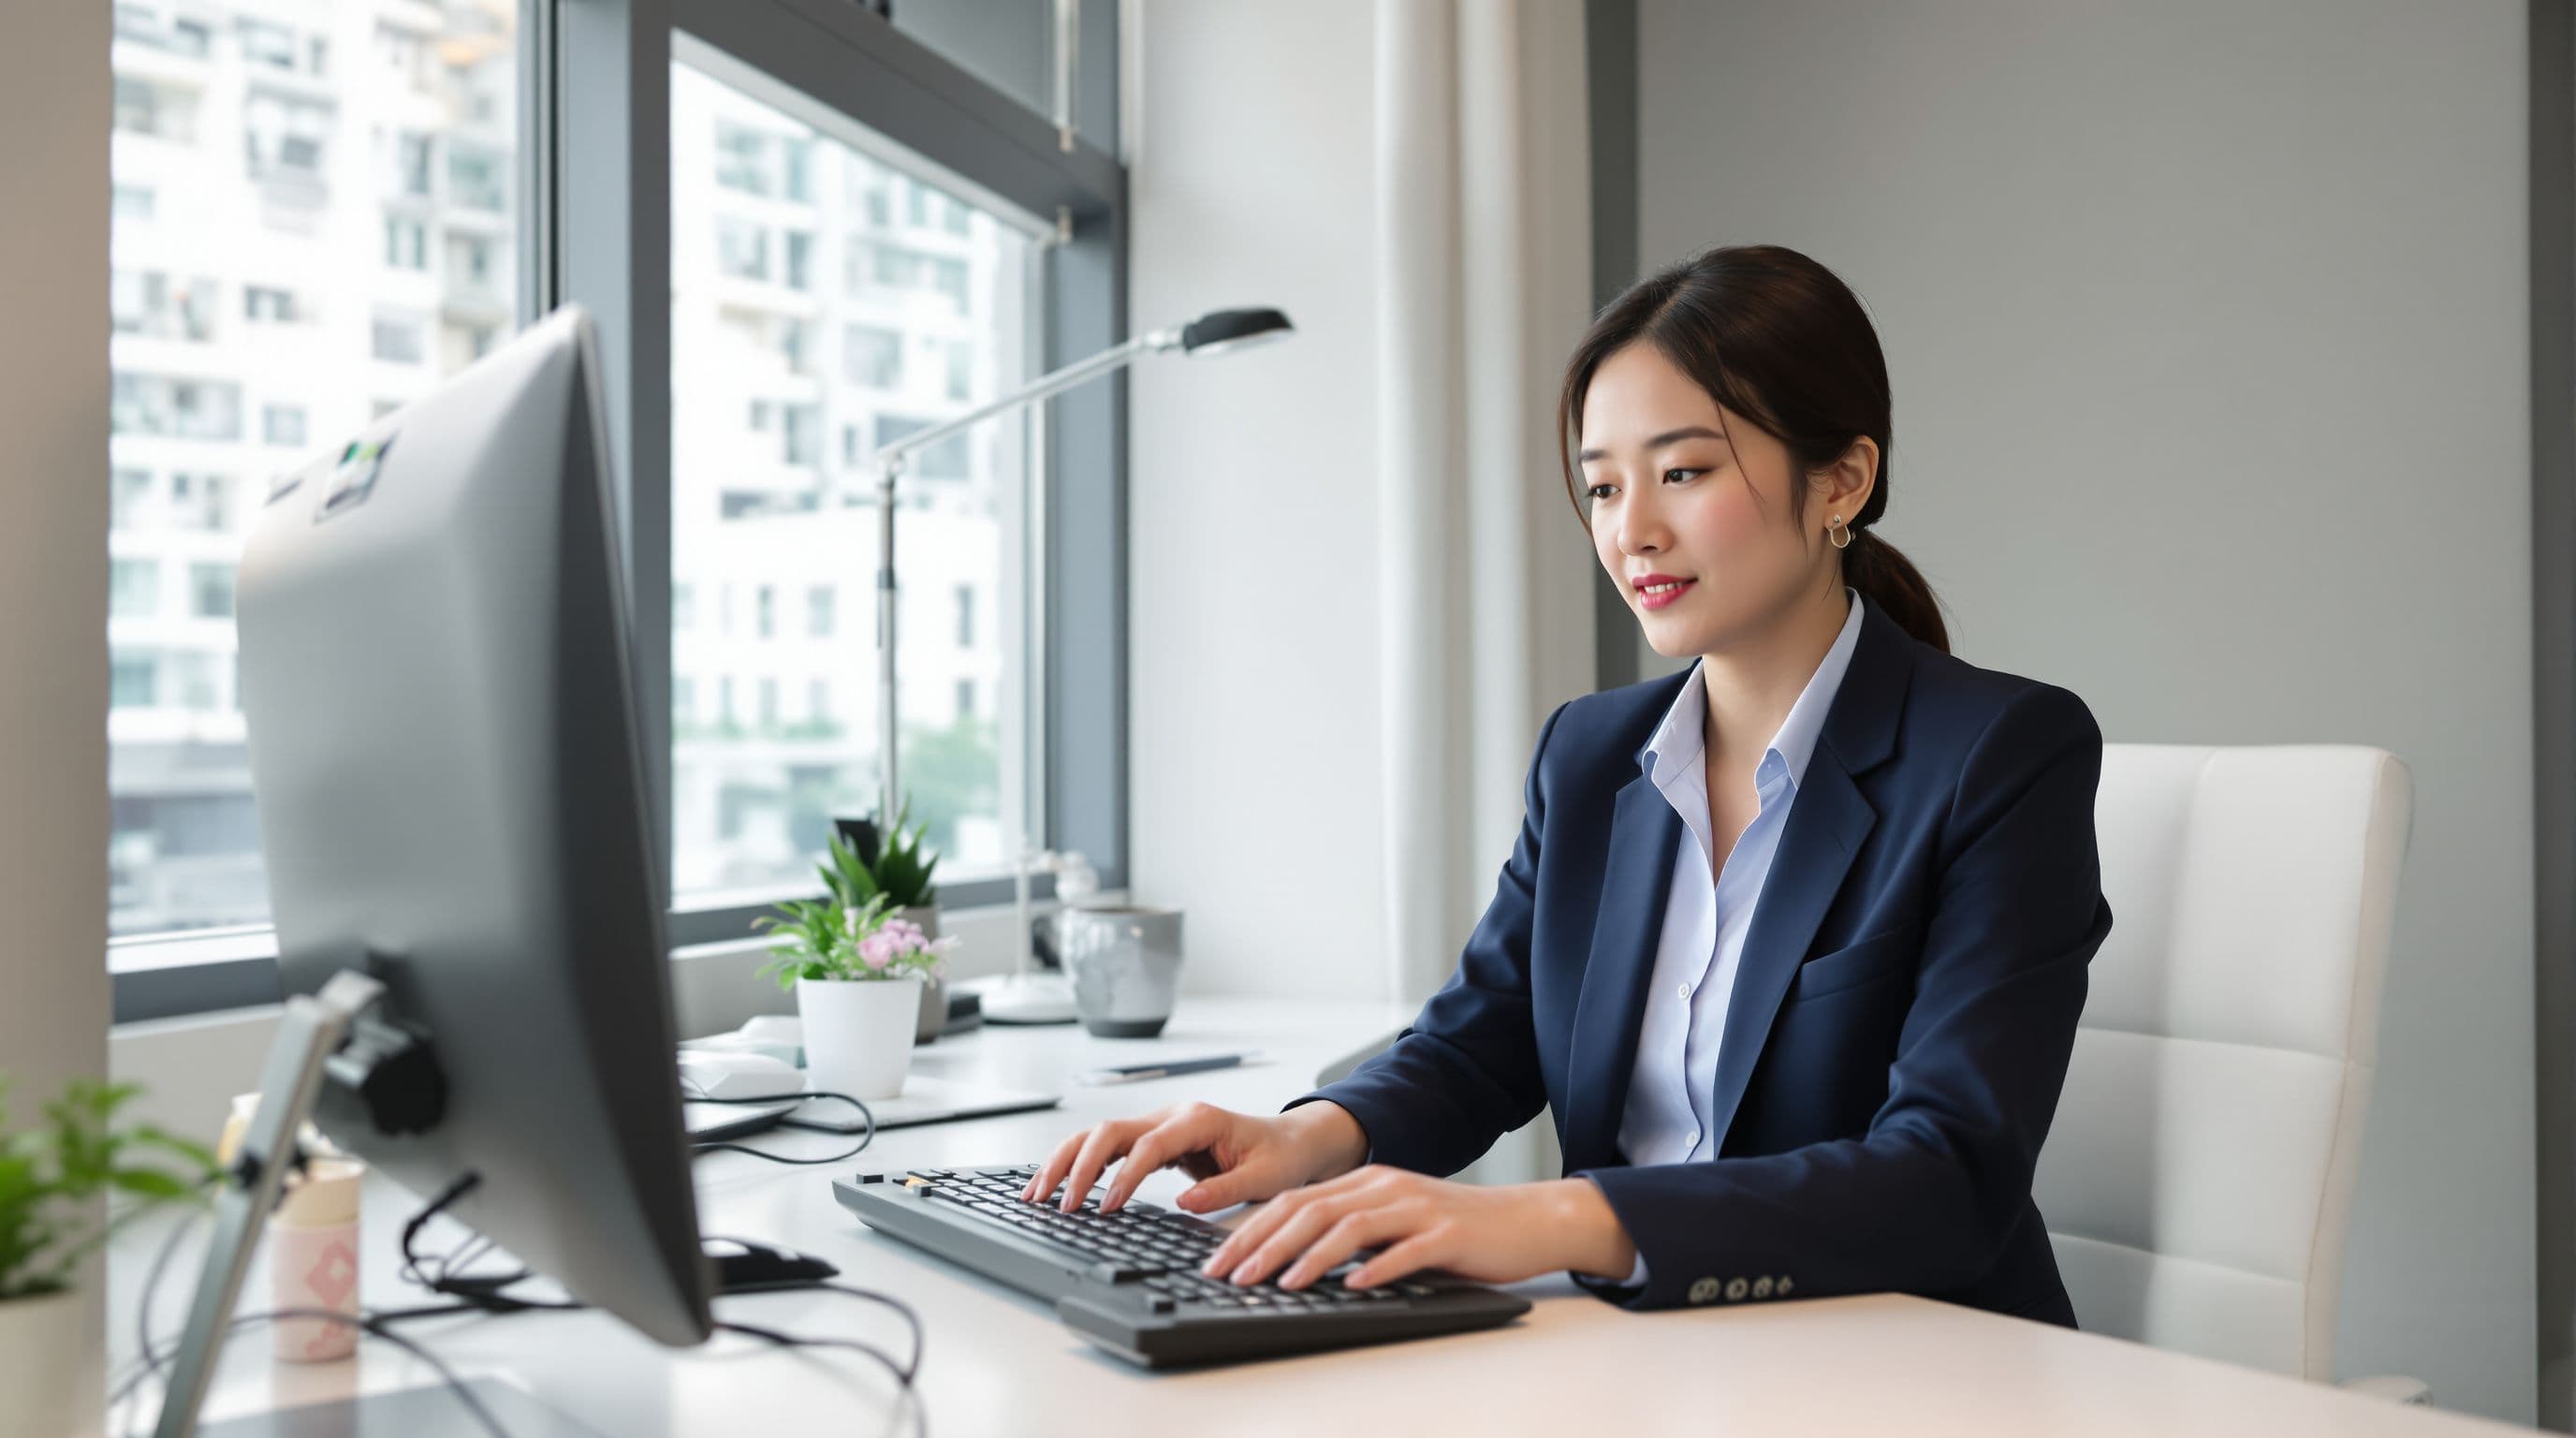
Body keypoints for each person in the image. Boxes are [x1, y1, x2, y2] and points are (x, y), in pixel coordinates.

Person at [1022, 243, 2114, 1325]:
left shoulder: (2001, 754)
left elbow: (1947, 1174)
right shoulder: (1591, 756)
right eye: (1601, 485)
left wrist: (1552, 1221)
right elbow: (1478, 1042)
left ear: (1841, 480)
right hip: (1637, 1354)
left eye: (1683, 472)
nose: (1630, 530)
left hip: (1906, 1357)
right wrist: (1303, 1137)